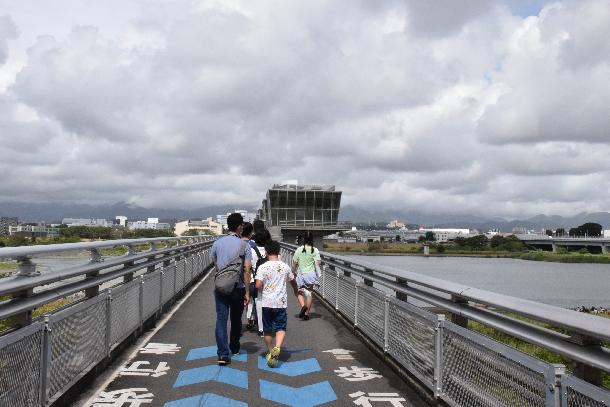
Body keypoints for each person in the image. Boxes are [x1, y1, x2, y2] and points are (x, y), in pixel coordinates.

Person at [211, 213, 252, 365]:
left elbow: (215, 264)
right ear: (240, 226)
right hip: (238, 287)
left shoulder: (217, 243)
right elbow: (247, 269)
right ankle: (234, 347)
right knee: (235, 319)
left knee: (221, 319)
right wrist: (247, 291)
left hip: (221, 287)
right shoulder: (245, 245)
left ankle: (222, 354)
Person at [255, 240, 299, 367]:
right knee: (280, 327)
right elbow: (292, 280)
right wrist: (296, 290)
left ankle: (270, 351)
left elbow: (258, 285)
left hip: (267, 302)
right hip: (280, 303)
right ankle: (277, 347)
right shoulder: (284, 266)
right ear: (279, 251)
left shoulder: (262, 267)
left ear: (266, 252)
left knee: (267, 330)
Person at [291, 231, 321, 320]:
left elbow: (294, 264)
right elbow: (318, 262)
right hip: (311, 275)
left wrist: (293, 272)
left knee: (298, 292)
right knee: (309, 293)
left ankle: (303, 306)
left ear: (303, 239)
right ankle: (307, 314)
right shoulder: (315, 250)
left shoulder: (299, 250)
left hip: (301, 275)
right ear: (312, 239)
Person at [247, 229, 271, 334]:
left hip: (253, 280)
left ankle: (255, 321)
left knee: (256, 301)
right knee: (267, 302)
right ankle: (266, 323)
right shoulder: (270, 251)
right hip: (268, 281)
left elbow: (247, 267)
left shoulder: (250, 250)